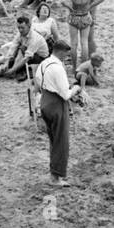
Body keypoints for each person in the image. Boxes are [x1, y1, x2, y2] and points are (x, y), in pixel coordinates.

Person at [35, 50, 80, 186]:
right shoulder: (58, 68)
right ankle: (56, 178)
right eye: (66, 55)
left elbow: (37, 82)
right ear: (61, 53)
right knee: (61, 141)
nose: (67, 58)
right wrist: (76, 89)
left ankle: (53, 173)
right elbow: (66, 95)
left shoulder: (44, 63)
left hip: (45, 101)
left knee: (53, 139)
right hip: (56, 104)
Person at [63, 0, 102, 73]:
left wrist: (69, 8)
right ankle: (84, 67)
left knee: (74, 44)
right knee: (85, 43)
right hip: (86, 15)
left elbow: (63, 1)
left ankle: (75, 67)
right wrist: (90, 7)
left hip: (75, 16)